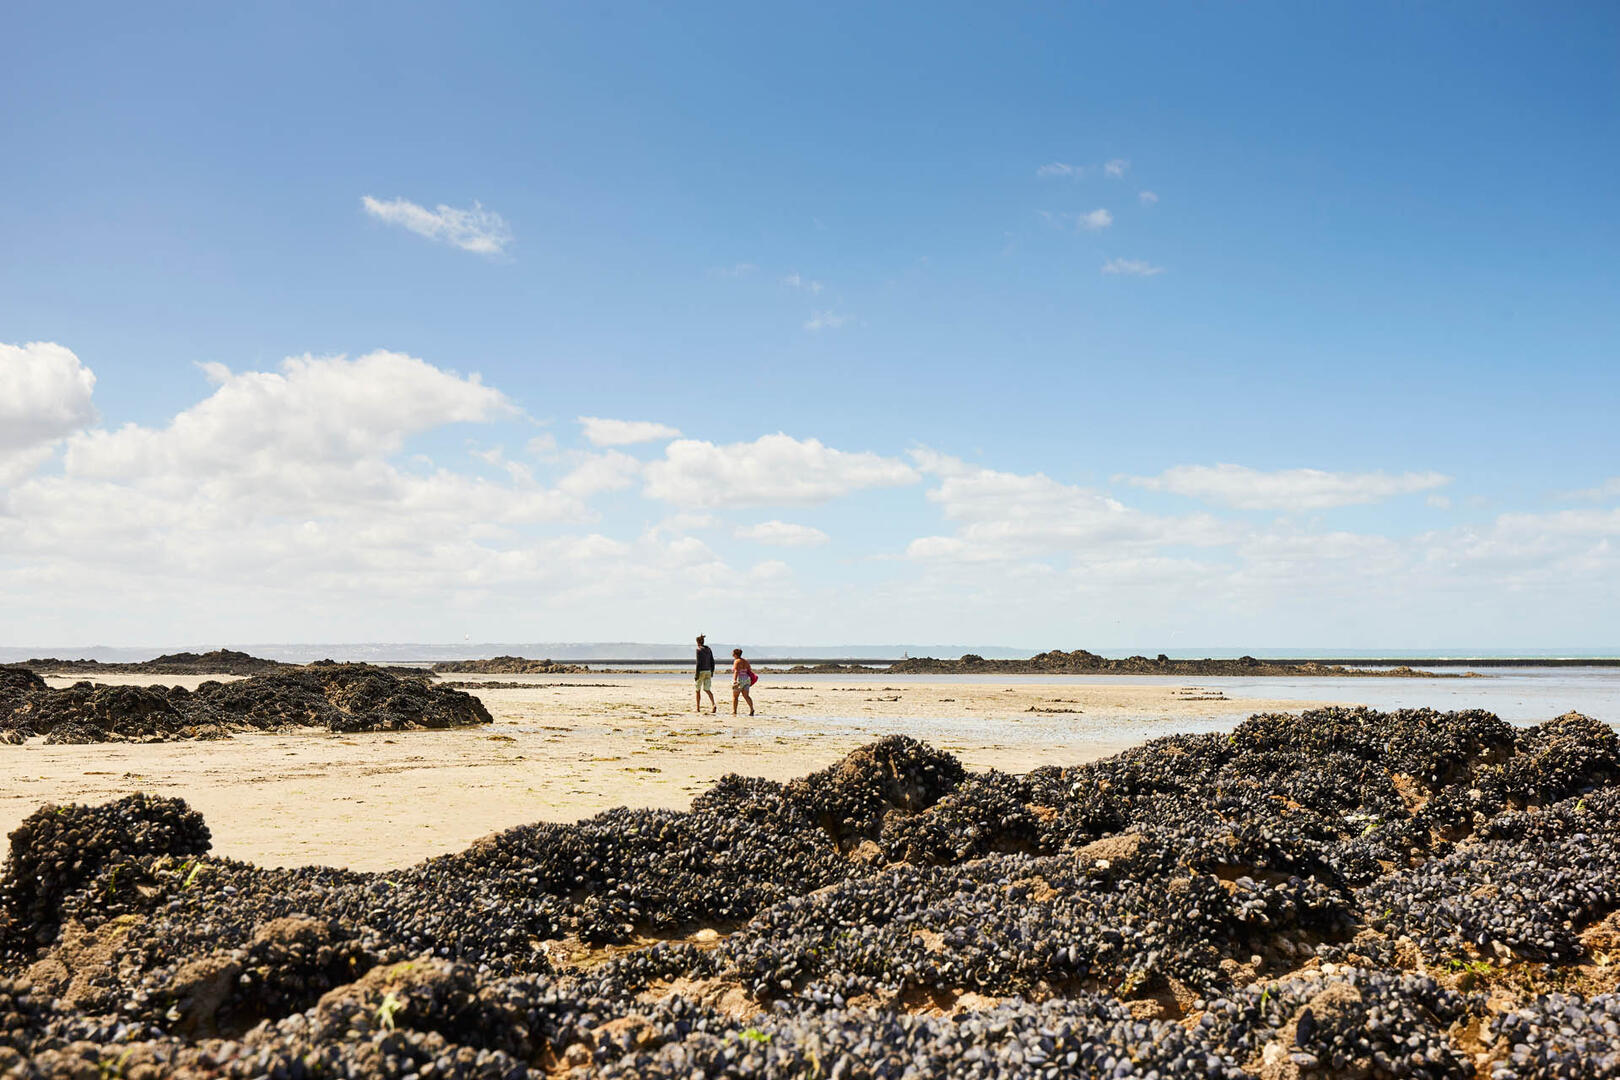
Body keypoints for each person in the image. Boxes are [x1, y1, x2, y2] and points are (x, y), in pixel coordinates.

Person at [694, 634, 716, 714]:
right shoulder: (709, 649)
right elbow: (712, 661)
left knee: (698, 690)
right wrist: (712, 671)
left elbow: (698, 663)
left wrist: (696, 674)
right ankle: (713, 704)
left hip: (701, 671)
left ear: (697, 642)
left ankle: (698, 708)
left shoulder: (698, 650)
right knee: (707, 689)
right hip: (708, 671)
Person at [730, 647, 755, 716]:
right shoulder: (746, 661)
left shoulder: (737, 661)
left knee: (735, 697)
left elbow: (736, 671)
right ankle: (751, 709)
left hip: (739, 679)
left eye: (733, 654)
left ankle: (734, 711)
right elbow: (749, 670)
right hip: (747, 679)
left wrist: (735, 680)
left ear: (735, 654)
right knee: (746, 696)